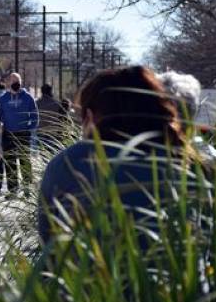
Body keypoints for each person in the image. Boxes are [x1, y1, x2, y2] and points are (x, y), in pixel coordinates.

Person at [37, 66, 188, 245]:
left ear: (90, 117)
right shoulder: (187, 165)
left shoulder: (66, 164)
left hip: (87, 271)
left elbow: (48, 239)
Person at [0, 72, 39, 196]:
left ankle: (28, 189)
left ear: (20, 83)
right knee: (10, 163)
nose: (15, 83)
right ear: (8, 83)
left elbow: (35, 115)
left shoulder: (28, 97)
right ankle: (13, 191)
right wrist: (0, 126)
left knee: (25, 162)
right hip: (8, 134)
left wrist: (29, 128)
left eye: (17, 81)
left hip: (23, 134)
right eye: (12, 81)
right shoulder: (3, 99)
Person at [35, 84, 64, 150]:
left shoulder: (37, 103)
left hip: (41, 133)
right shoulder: (57, 104)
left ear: (41, 92)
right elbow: (61, 119)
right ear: (50, 91)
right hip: (53, 134)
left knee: (43, 155)